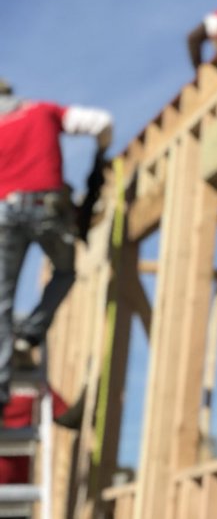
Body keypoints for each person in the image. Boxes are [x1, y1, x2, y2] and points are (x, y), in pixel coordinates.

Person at [0, 79, 113, 408]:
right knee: (64, 271)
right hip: (46, 210)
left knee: (2, 301)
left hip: (4, 214)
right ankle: (31, 332)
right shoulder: (42, 111)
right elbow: (102, 123)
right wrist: (101, 155)